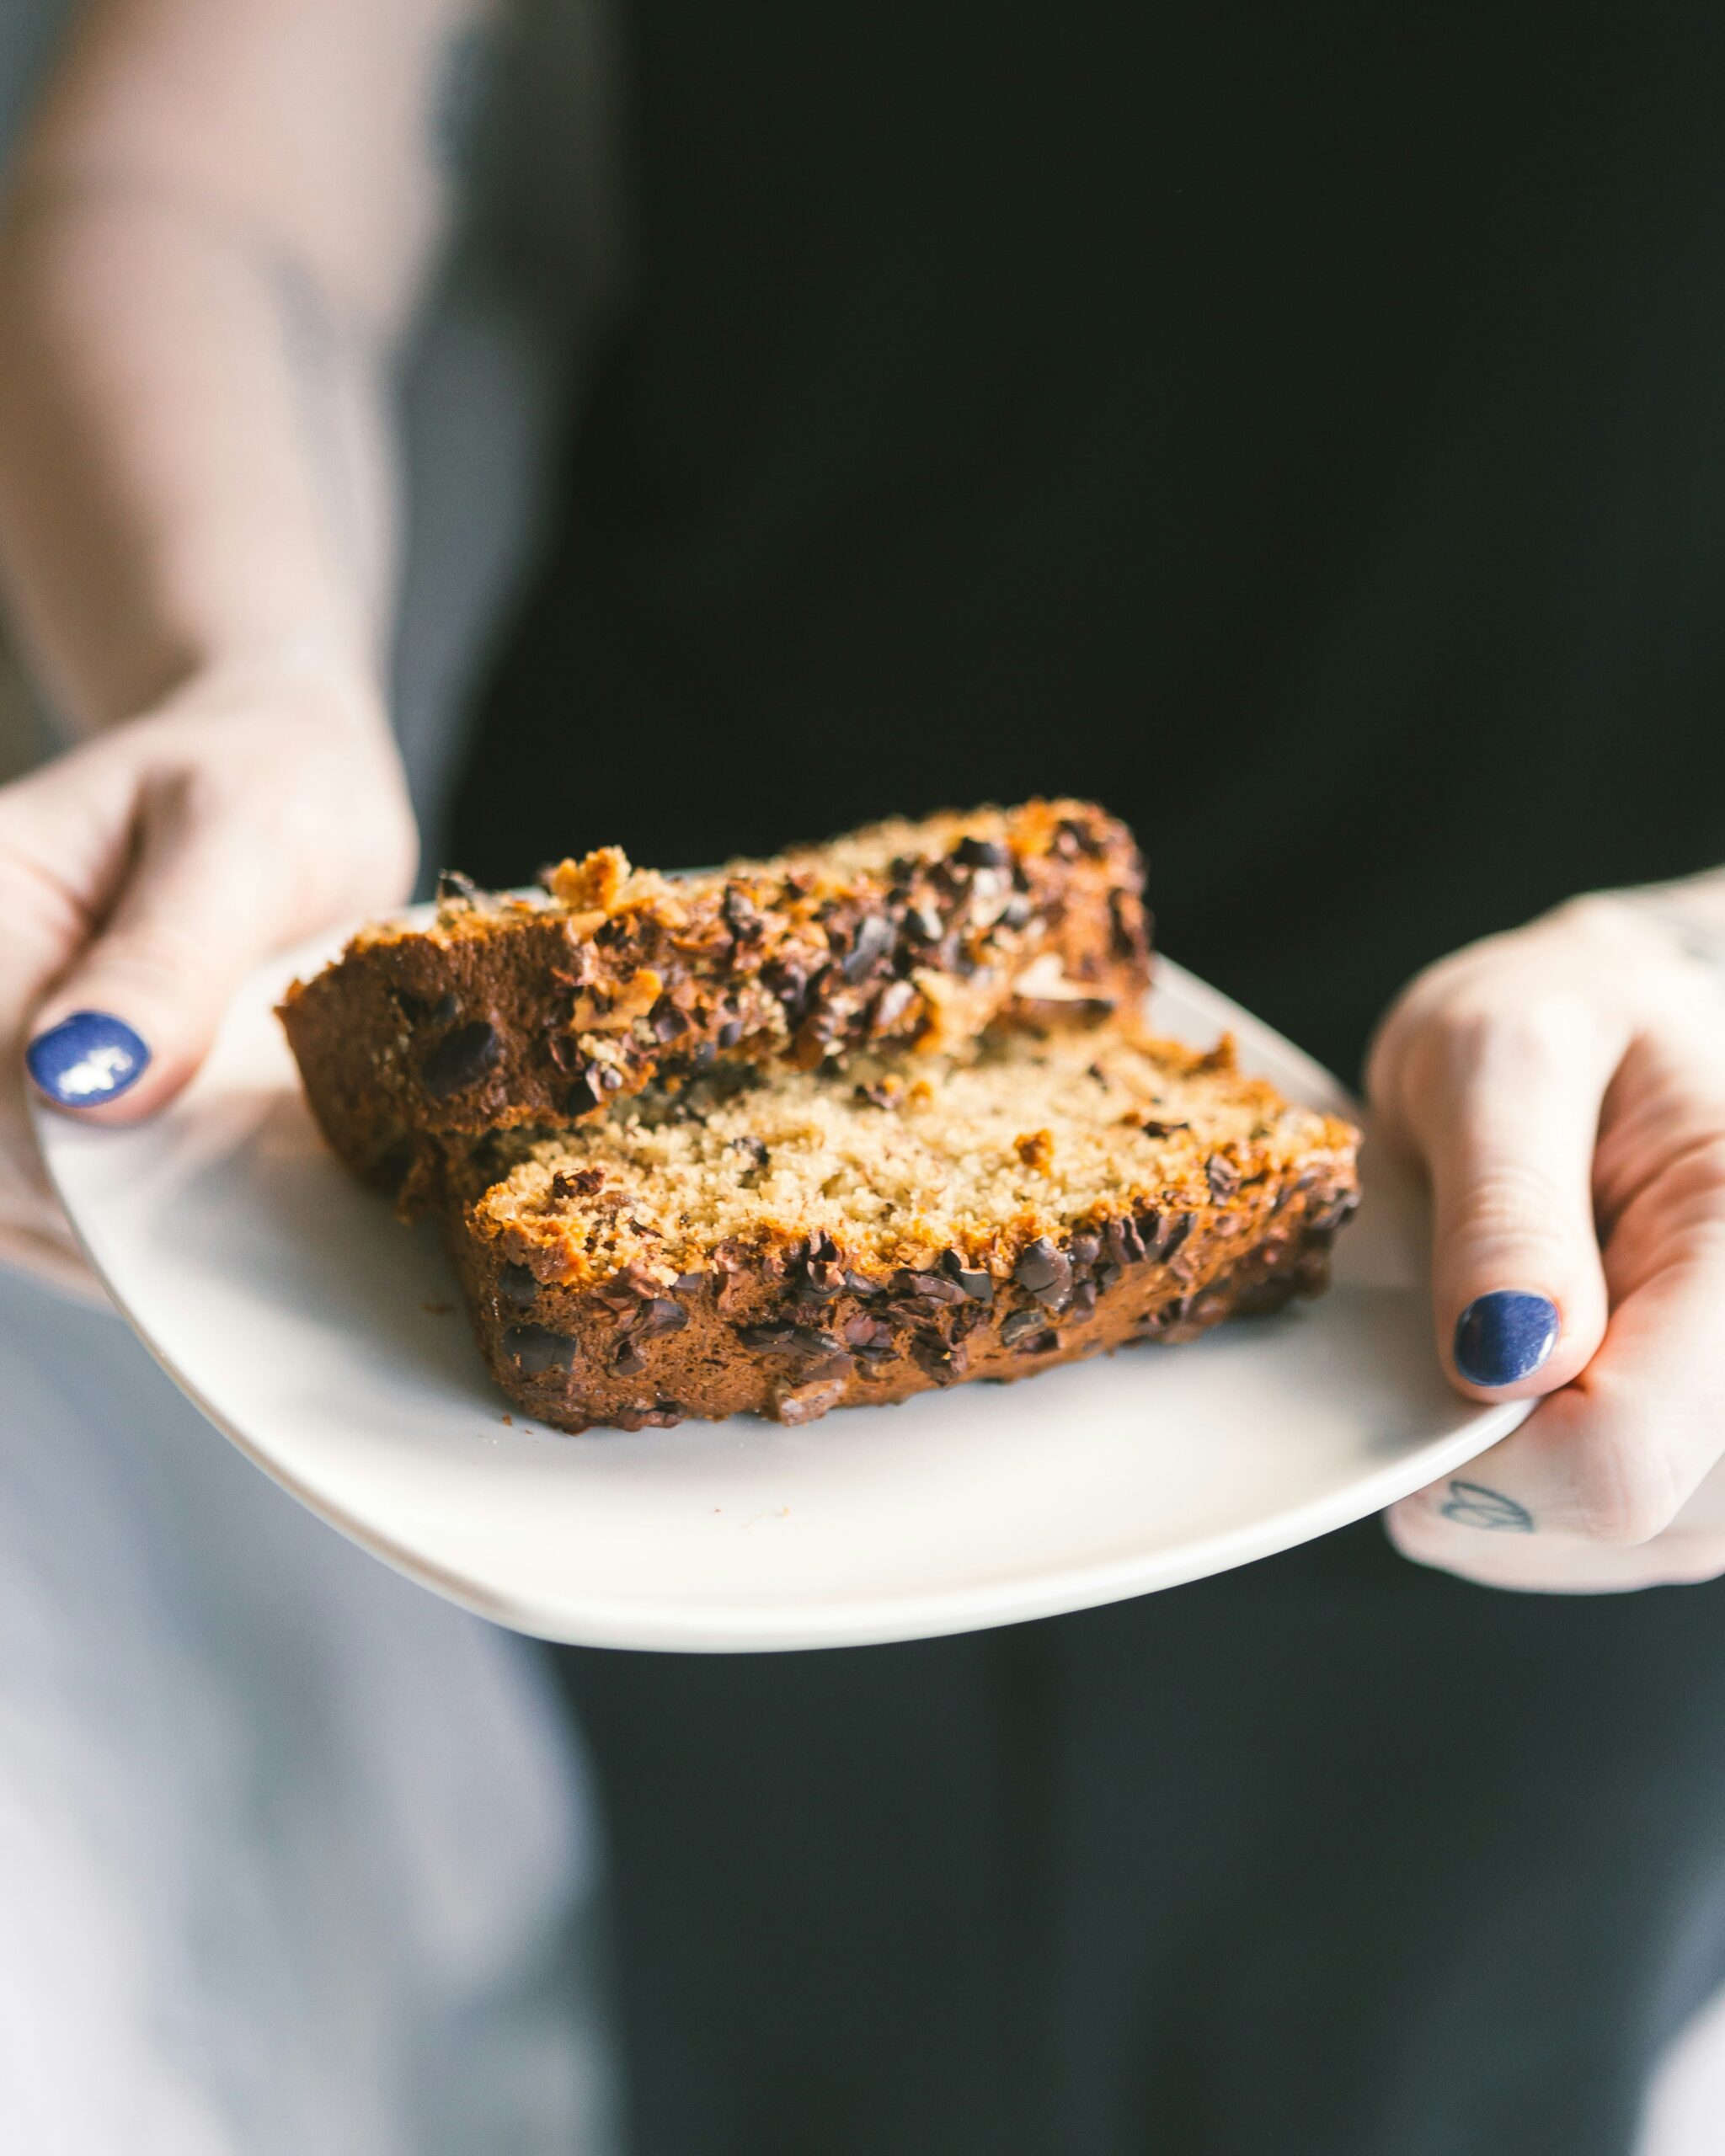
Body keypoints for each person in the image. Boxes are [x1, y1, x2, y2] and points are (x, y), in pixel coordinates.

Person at [4, 2, 1725, 2148]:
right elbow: (219, 167)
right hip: (636, 995)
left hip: (1630, 1154)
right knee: (786, 2030)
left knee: (1450, 2042)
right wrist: (234, 684)